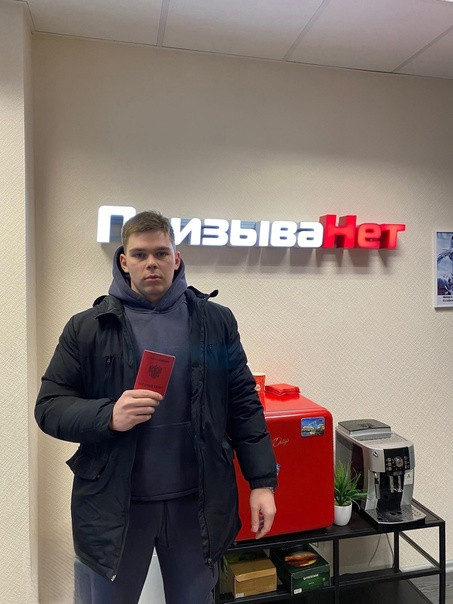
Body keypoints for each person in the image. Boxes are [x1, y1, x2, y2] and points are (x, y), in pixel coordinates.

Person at [35, 210, 277, 604]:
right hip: (117, 507)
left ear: (176, 259)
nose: (152, 263)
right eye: (140, 254)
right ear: (124, 261)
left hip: (196, 504)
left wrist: (262, 482)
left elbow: (243, 404)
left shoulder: (215, 322)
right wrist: (109, 415)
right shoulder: (88, 327)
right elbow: (49, 407)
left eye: (161, 253)